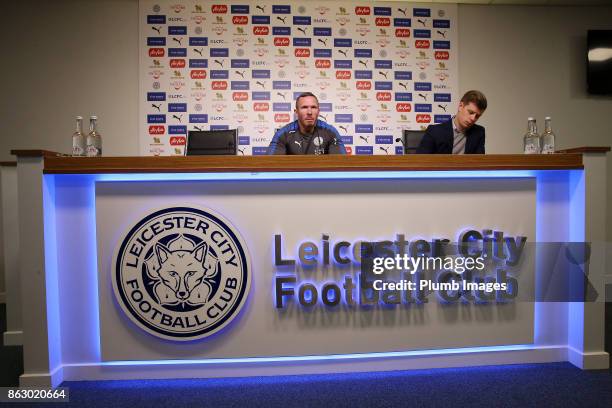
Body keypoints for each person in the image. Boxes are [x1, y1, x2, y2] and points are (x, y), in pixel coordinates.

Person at [267, 92, 346, 155]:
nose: (309, 112)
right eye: (304, 107)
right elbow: (270, 165)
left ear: (318, 111)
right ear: (296, 112)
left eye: (313, 107)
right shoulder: (283, 134)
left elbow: (342, 165)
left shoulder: (330, 132)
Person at [416, 90, 487, 154]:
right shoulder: (435, 131)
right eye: (470, 112)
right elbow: (420, 161)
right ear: (460, 106)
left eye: (477, 116)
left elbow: (479, 162)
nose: (473, 118)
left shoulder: (479, 132)